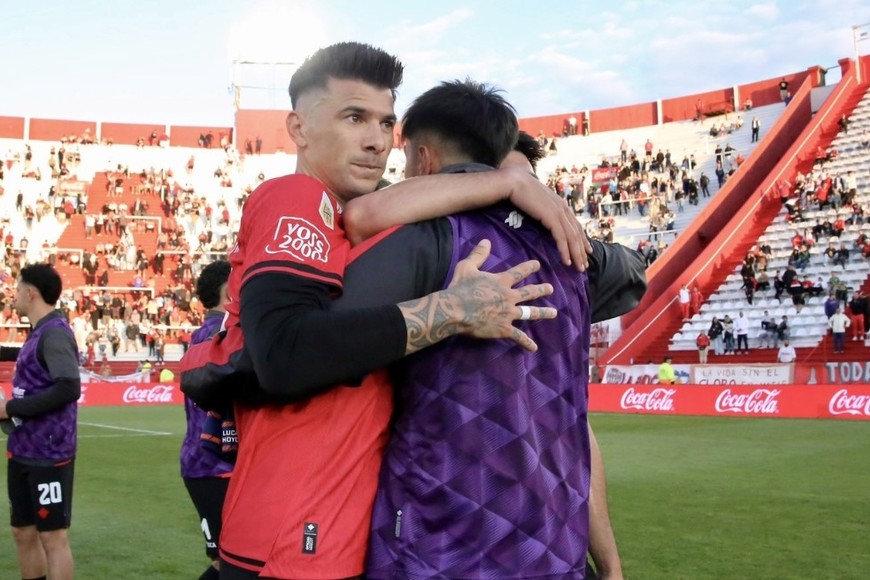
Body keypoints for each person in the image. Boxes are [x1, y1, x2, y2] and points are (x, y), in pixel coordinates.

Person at [210, 43, 586, 580]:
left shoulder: (357, 216)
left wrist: (513, 180)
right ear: (298, 128)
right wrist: (449, 309)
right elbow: (284, 355)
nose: (376, 140)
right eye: (354, 117)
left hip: (336, 534)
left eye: (387, 123)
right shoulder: (296, 197)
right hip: (293, 539)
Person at [346, 81, 638, 579]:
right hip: (552, 547)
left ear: (423, 157)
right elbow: (635, 272)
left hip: (441, 543)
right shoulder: (574, 254)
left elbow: (317, 342)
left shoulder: (424, 237)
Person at [0, 264, 80, 580]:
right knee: (23, 531)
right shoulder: (40, 332)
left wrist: (11, 408)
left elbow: (68, 387)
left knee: (52, 537)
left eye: (17, 290)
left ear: (30, 293)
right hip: (22, 447)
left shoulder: (56, 334)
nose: (13, 296)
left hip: (49, 453)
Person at [181, 260, 234, 580]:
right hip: (215, 466)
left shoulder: (207, 332)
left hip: (208, 463)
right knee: (227, 563)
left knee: (232, 561)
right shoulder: (221, 333)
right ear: (228, 292)